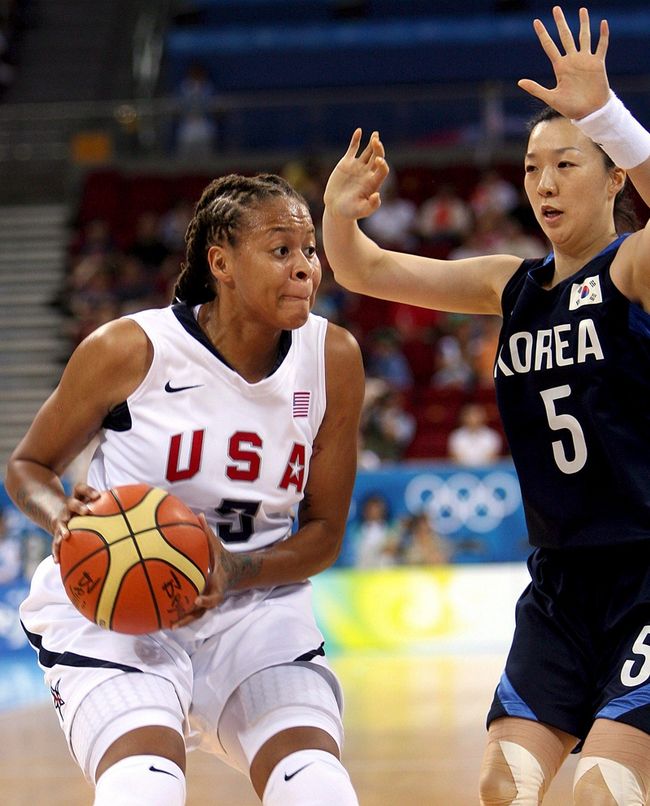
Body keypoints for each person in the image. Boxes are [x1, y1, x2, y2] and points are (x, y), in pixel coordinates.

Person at [322, 6, 650, 803]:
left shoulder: (633, 268)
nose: (544, 183)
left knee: (605, 789)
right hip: (562, 584)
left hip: (646, 570)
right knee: (504, 786)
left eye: (566, 164)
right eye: (533, 168)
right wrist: (337, 214)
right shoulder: (512, 284)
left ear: (615, 177)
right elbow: (366, 270)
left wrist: (608, 114)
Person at [6, 173, 365, 805]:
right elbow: (28, 466)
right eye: (281, 250)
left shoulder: (332, 358)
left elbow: (325, 534)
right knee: (142, 787)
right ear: (221, 263)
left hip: (252, 608)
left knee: (316, 786)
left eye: (309, 250)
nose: (305, 267)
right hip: (115, 609)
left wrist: (235, 571)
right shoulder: (131, 348)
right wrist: (62, 515)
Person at [447, 402, 502, 467]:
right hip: (462, 470)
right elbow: (455, 458)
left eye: (476, 415)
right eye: (470, 415)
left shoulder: (492, 435)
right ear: (464, 417)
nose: (473, 419)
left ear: (483, 417)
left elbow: (492, 458)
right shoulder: (456, 436)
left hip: (486, 470)